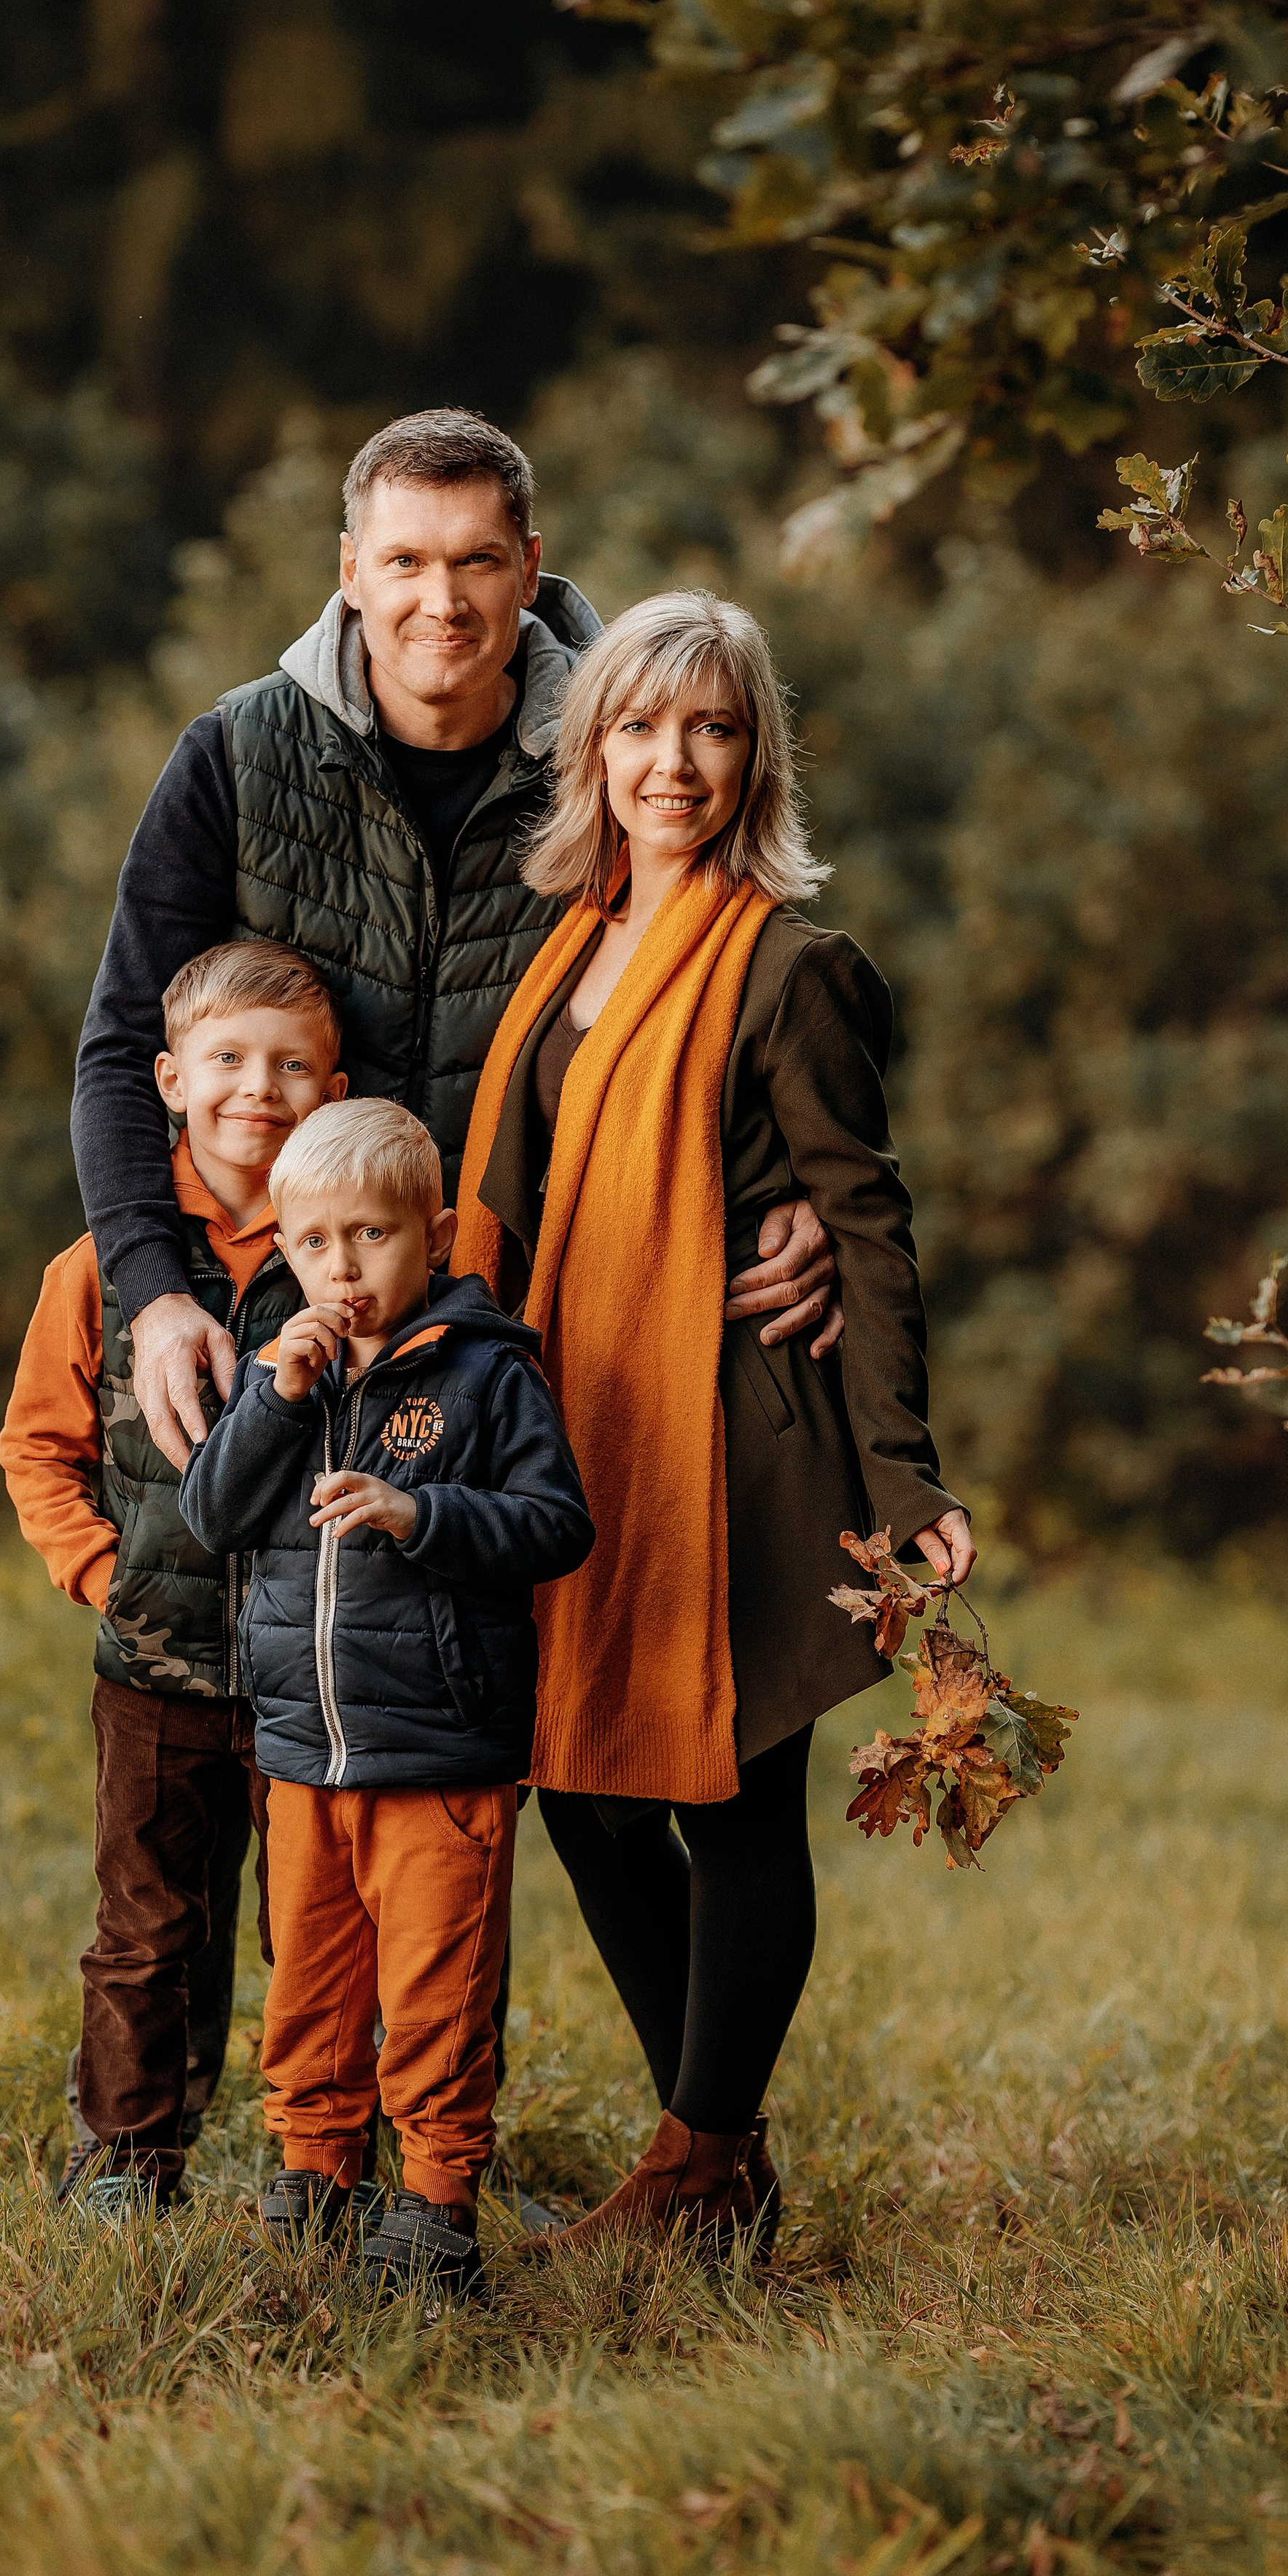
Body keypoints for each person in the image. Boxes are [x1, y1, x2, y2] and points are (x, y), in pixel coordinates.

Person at [70, 407, 843, 2141]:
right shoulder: (240, 752)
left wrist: (790, 1194)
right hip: (260, 1312)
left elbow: (742, 973)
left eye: (476, 561)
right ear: (348, 572)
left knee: (465, 1750)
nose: (441, 600)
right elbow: (126, 1041)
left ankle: (449, 2162)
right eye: (404, 562)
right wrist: (159, 1288)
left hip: (522, 1337)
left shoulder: (619, 738)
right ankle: (158, 2141)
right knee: (202, 1721)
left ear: (529, 569)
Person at [453, 590, 976, 2251]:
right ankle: (716, 2154)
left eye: (709, 729)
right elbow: (515, 1203)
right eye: (635, 726)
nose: (667, 762)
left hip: (734, 1441)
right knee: (578, 1784)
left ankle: (695, 2160)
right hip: (572, 1427)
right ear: (587, 749)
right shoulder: (564, 949)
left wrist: (900, 1474)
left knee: (729, 1794)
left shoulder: (793, 967)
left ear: (753, 756)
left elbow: (867, 1222)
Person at [179, 1099, 593, 2299]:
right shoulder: (288, 1366)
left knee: (434, 1991)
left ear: (436, 1235)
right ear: (285, 1247)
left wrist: (421, 1514)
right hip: (303, 1749)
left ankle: (434, 2199)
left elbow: (557, 1525)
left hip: (439, 1752)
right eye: (314, 1243)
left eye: (370, 1236)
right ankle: (314, 2169)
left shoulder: (485, 1374)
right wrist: (275, 1395)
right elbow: (212, 1515)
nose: (342, 1268)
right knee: (308, 1978)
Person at [0, 939, 346, 2214]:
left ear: (335, 1084)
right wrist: (104, 1577)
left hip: (324, 1672)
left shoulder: (360, 1248)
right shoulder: (105, 1267)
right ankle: (130, 2157)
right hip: (157, 1674)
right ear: (168, 1079)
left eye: (292, 1065)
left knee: (320, 1932)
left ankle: (327, 2166)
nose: (260, 1087)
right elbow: (38, 1446)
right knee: (150, 1932)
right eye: (230, 1061)